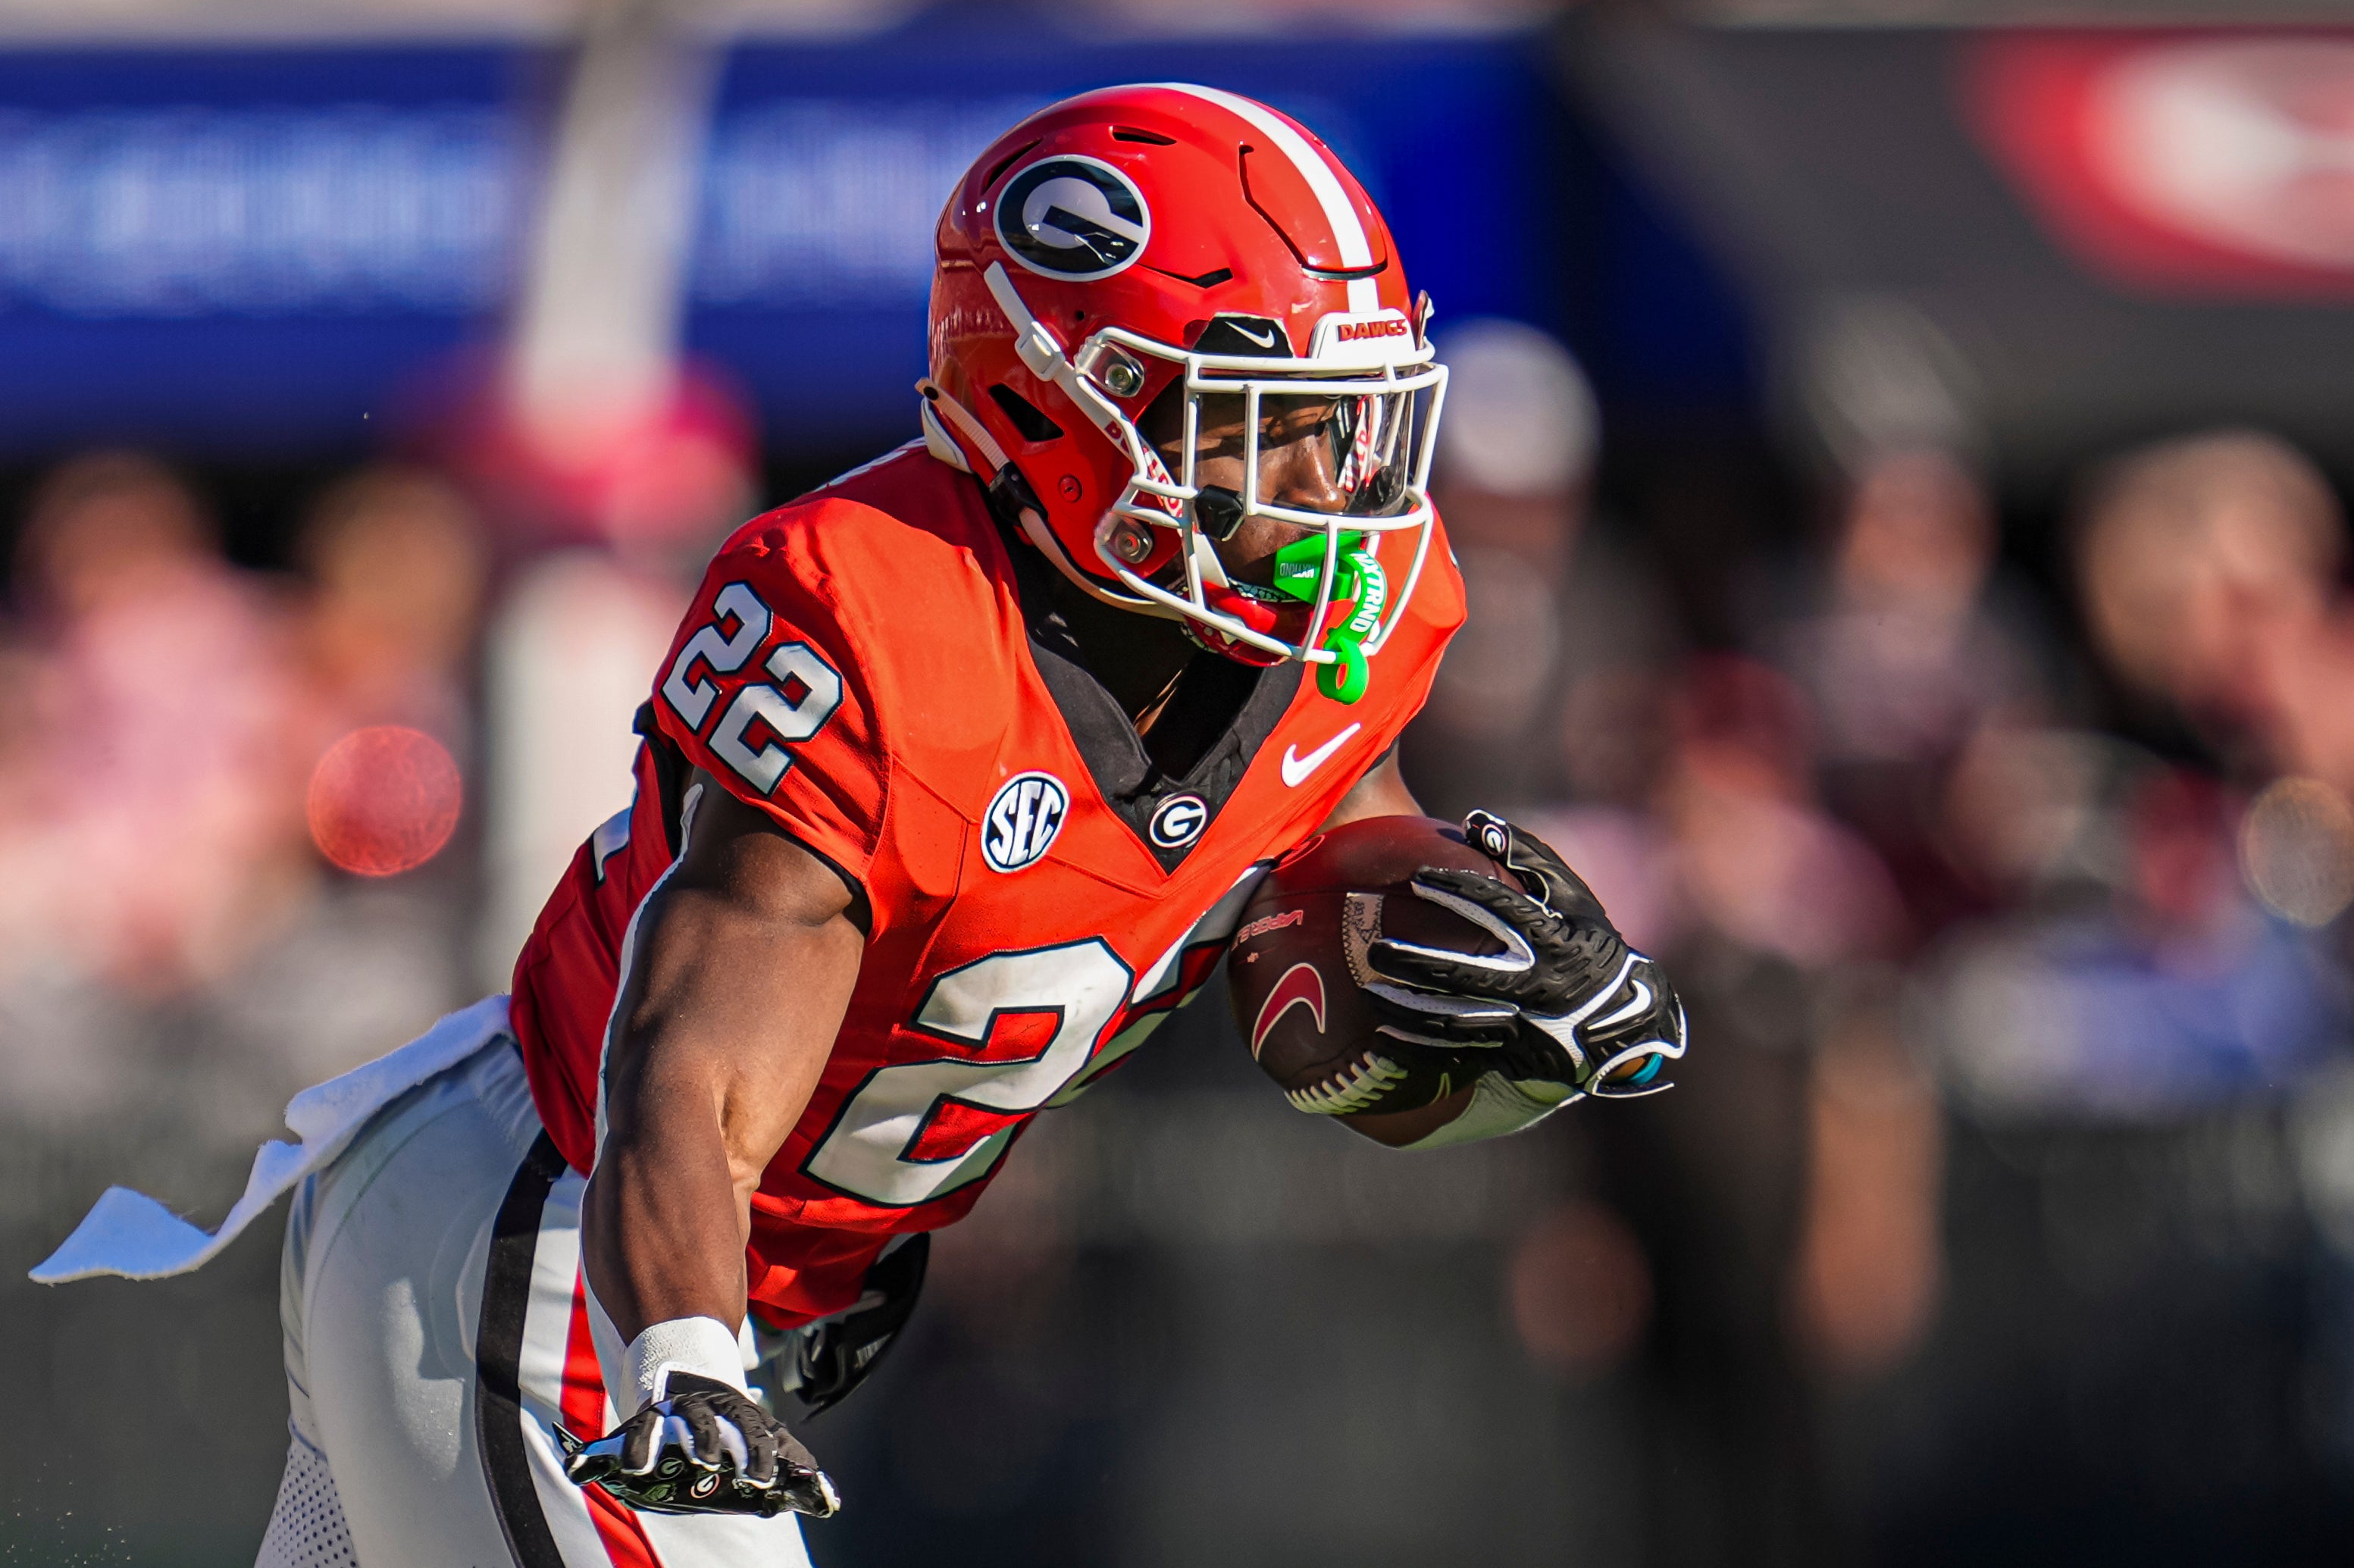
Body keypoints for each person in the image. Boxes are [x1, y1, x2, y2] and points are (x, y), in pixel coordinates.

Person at [35, 85, 1686, 1568]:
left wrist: (1495, 1000)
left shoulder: (1350, 611)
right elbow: (677, 1071)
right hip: (556, 1253)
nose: (1328, 482)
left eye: (1339, 418)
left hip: (680, 1293)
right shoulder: (874, 620)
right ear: (1061, 408)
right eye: (1254, 423)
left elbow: (1313, 870)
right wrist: (680, 1351)